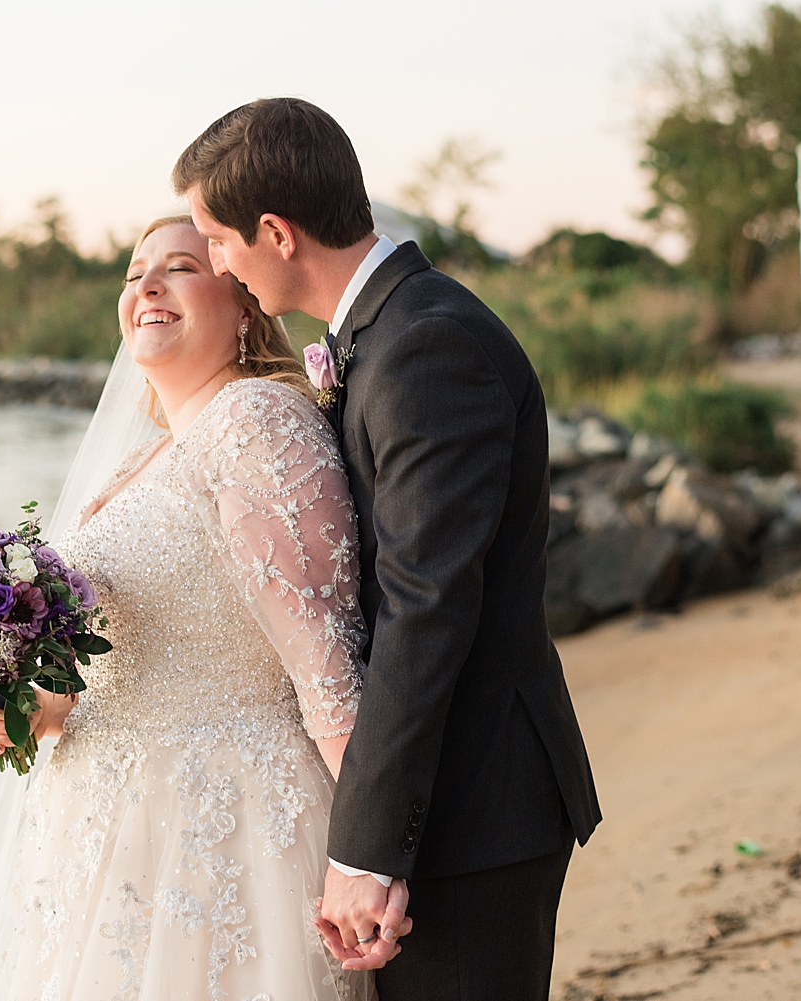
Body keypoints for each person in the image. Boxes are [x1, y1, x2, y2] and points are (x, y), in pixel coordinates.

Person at [173, 98, 603, 1001]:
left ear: (276, 234)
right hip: (452, 794)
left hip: (476, 804)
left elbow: (428, 606)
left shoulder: (424, 346)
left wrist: (365, 849)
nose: (217, 262)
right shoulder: (389, 332)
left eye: (218, 239)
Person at [0, 216, 385, 1001]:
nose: (147, 287)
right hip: (97, 838)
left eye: (179, 267)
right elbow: (119, 652)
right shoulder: (143, 458)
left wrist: (370, 854)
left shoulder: (256, 422)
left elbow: (326, 663)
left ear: (244, 305)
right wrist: (35, 706)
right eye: (135, 274)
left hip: (222, 833)